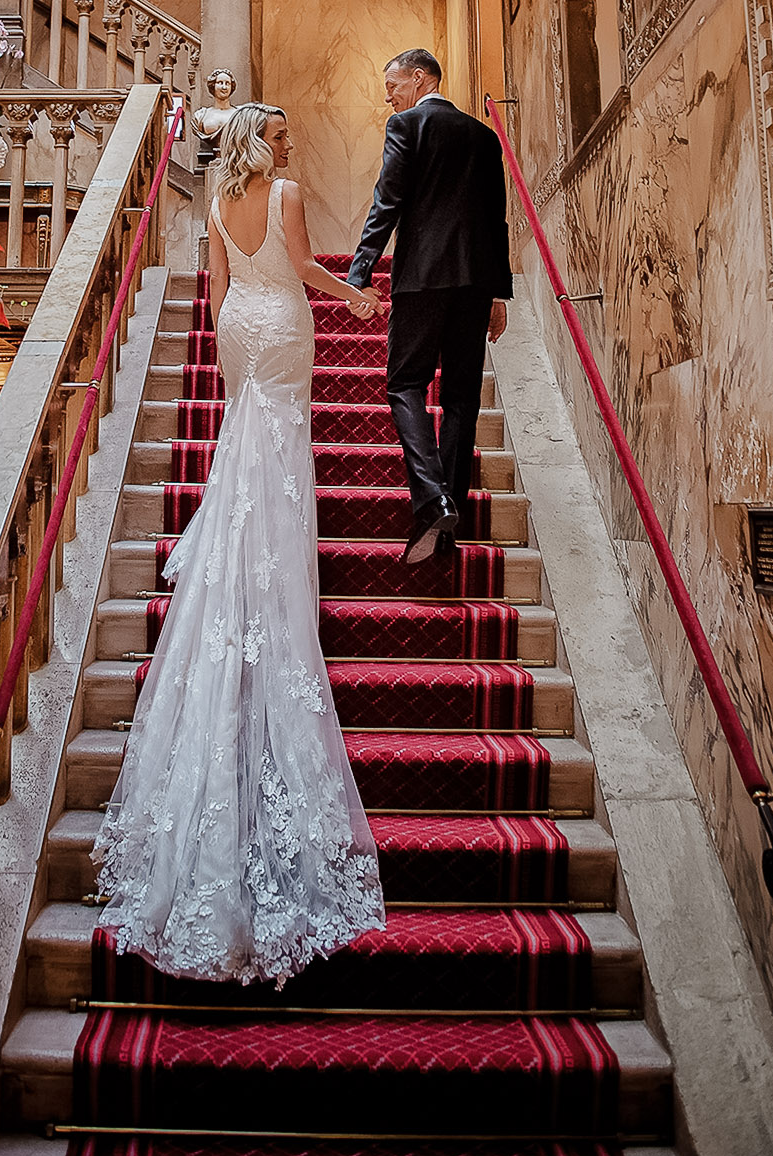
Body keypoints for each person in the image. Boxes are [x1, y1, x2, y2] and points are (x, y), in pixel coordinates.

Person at [94, 101, 385, 984]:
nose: (293, 143)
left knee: (244, 444)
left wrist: (227, 356)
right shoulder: (288, 191)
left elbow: (218, 292)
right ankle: (278, 577)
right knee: (282, 451)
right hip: (285, 324)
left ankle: (245, 564)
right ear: (269, 143)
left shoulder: (217, 201)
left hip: (241, 334)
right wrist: (356, 296)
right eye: (286, 133)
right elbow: (298, 265)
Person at [348, 48, 512, 565]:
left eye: (393, 84)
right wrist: (498, 293)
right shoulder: (485, 136)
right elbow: (497, 218)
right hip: (473, 284)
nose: (388, 96)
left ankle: (432, 498)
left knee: (404, 384)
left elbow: (387, 201)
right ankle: (446, 530)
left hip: (421, 279)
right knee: (462, 397)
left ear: (420, 79)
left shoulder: (407, 125)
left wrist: (359, 270)